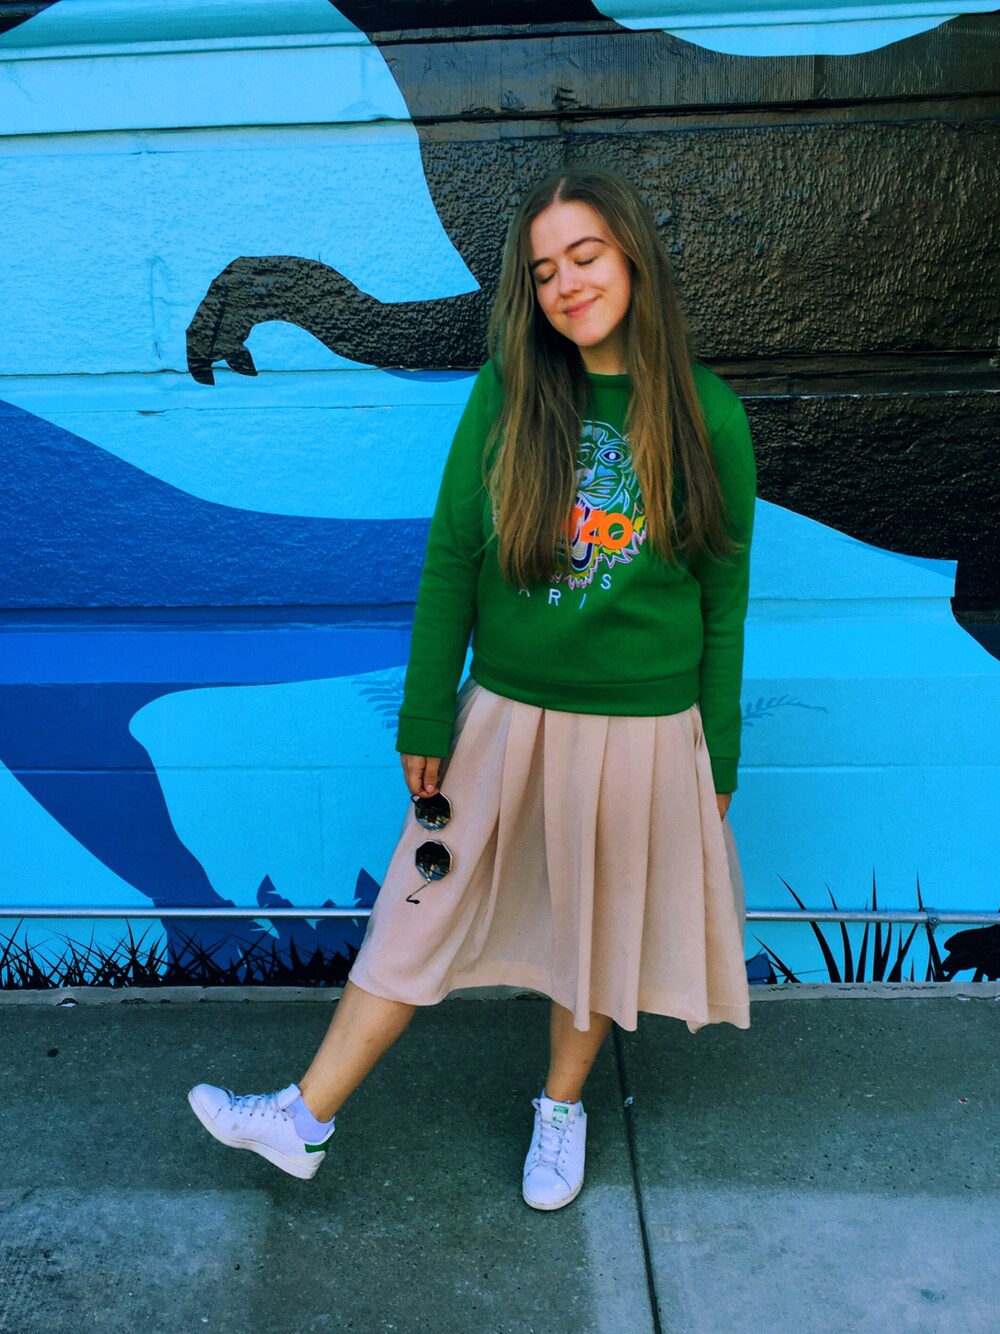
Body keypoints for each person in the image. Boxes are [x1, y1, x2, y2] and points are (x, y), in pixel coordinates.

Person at [188, 167, 756, 1212]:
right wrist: (423, 707)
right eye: (543, 271)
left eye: (584, 255)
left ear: (632, 257)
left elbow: (725, 599)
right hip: (501, 715)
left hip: (640, 729)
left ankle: (562, 1108)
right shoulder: (508, 393)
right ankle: (303, 1117)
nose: (566, 284)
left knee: (595, 934)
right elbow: (452, 554)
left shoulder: (707, 414)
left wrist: (717, 753)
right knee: (418, 901)